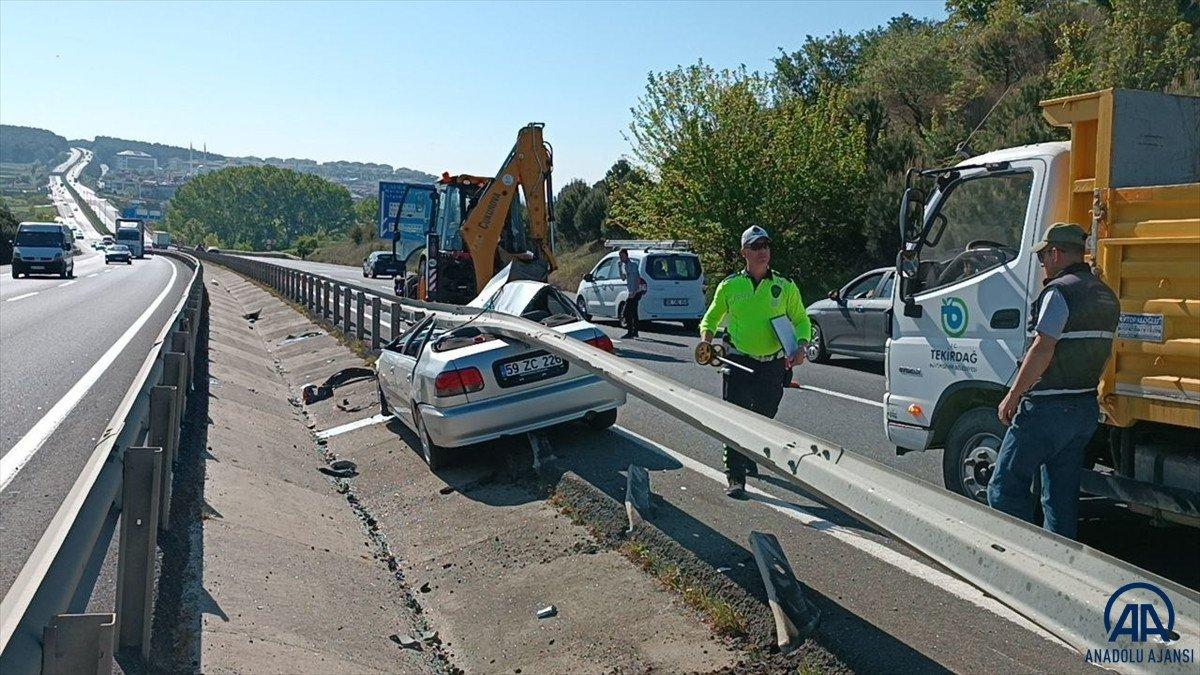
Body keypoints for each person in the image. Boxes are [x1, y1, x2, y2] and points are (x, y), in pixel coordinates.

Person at [988, 223, 1119, 539]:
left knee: (1004, 487)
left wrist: (1013, 395)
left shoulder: (1060, 292)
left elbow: (1043, 347)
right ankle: (1059, 568)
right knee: (1060, 498)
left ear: (1056, 253)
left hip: (1047, 409)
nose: (1042, 264)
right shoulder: (1106, 295)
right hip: (1083, 407)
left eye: (1043, 256)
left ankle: (1015, 560)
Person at [699, 226, 811, 498]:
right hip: (738, 360)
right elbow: (711, 318)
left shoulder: (784, 286)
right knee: (735, 417)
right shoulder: (730, 286)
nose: (763, 251)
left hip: (772, 365)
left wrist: (801, 345)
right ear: (744, 253)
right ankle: (735, 476)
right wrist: (706, 340)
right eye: (756, 246)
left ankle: (748, 451)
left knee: (764, 416)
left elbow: (801, 320)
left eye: (766, 246)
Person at [618, 248, 647, 339]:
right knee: (634, 312)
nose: (621, 258)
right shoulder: (625, 266)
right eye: (620, 256)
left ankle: (630, 332)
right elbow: (623, 278)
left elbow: (637, 278)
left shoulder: (632, 265)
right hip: (631, 291)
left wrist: (634, 292)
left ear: (627, 255)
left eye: (622, 256)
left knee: (626, 312)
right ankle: (635, 331)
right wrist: (619, 268)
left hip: (635, 291)